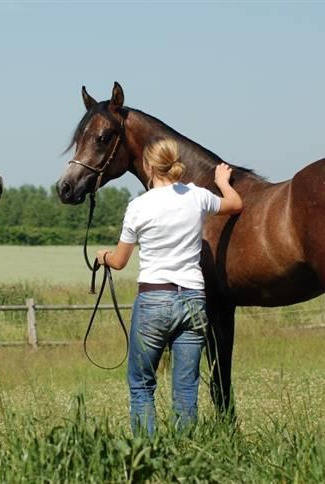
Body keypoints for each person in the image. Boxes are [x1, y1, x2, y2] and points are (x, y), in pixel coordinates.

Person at [96, 136, 243, 436]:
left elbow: (120, 260)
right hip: (193, 301)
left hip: (154, 301)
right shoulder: (196, 196)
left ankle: (146, 457)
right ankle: (187, 454)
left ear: (149, 166)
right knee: (187, 390)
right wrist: (223, 180)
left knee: (141, 385)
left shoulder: (138, 206)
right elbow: (235, 204)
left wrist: (103, 257)